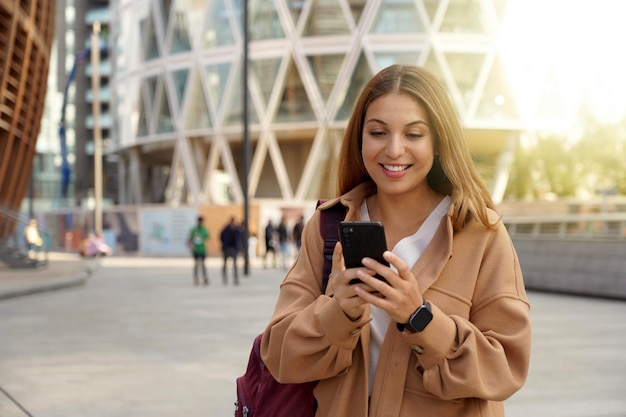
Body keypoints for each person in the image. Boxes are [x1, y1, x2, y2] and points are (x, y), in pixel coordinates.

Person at [260, 65, 531, 417]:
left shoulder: (481, 233)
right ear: (360, 139)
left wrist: (418, 317)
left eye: (414, 134)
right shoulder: (328, 226)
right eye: (377, 132)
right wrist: (337, 312)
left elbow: (507, 366)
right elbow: (280, 356)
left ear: (437, 143)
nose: (394, 149)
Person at [188, 216, 210, 285]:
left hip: (203, 249)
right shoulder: (194, 230)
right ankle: (196, 278)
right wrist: (191, 246)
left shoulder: (204, 229)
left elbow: (208, 238)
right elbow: (190, 239)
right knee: (196, 265)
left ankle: (204, 277)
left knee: (203, 264)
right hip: (196, 250)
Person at [220, 217, 241, 285]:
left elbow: (240, 238)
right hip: (227, 248)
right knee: (225, 265)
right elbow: (221, 237)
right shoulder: (226, 229)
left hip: (234, 248)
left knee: (235, 265)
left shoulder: (237, 230)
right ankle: (225, 278)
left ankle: (235, 279)